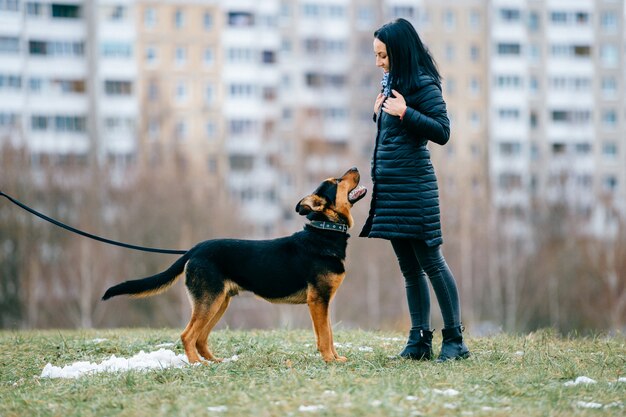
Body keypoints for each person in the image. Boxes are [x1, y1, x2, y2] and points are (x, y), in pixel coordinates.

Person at [359, 18, 470, 362]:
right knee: (409, 269)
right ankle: (419, 341)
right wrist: (381, 111)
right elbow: (395, 140)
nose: (378, 62)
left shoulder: (422, 85)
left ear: (400, 52)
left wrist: (405, 112)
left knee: (432, 262)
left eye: (383, 56)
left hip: (415, 190)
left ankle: (455, 341)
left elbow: (442, 131)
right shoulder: (393, 83)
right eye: (376, 55)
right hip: (392, 190)